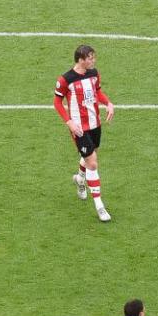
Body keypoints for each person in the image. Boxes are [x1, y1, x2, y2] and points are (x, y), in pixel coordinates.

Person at [53, 44, 115, 222]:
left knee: (90, 156)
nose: (93, 60)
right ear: (81, 59)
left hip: (95, 123)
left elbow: (98, 92)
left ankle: (80, 179)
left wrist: (108, 103)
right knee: (93, 163)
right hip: (79, 128)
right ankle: (100, 206)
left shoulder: (94, 73)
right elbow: (57, 102)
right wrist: (69, 122)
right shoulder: (66, 79)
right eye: (90, 58)